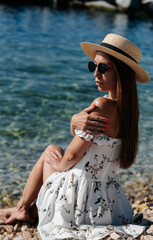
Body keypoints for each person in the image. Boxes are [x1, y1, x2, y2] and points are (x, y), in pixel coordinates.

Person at [0, 33, 150, 239]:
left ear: (121, 73)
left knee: (52, 151)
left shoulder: (102, 105)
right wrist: (73, 121)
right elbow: (94, 137)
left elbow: (70, 157)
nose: (95, 73)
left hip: (80, 201)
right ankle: (27, 209)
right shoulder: (129, 112)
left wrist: (59, 164)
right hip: (109, 201)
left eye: (103, 68)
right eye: (93, 66)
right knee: (58, 157)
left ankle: (22, 208)